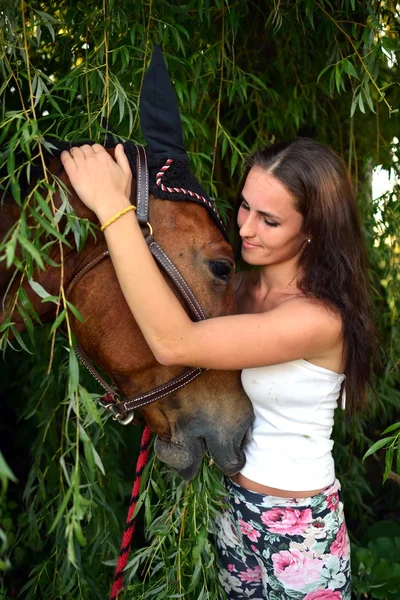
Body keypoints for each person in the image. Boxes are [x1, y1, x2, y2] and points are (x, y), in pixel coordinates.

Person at [61, 137, 377, 599]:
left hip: (300, 529)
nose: (246, 228)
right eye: (245, 207)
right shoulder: (237, 290)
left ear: (314, 230)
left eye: (269, 220)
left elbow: (174, 341)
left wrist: (113, 208)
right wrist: (137, 200)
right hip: (229, 508)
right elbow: (154, 302)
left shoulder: (317, 320)